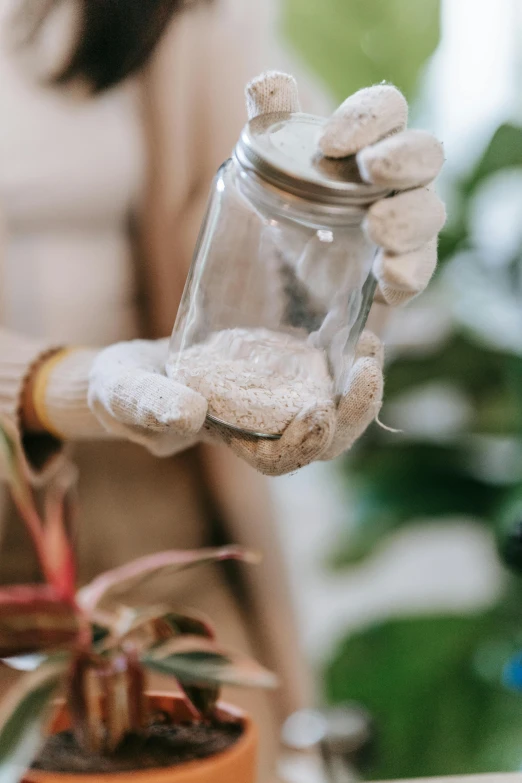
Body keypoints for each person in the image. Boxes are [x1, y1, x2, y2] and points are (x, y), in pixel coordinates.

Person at [0, 1, 445, 780]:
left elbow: (286, 263)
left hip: (159, 539)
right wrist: (64, 384)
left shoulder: (188, 18)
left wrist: (369, 262)